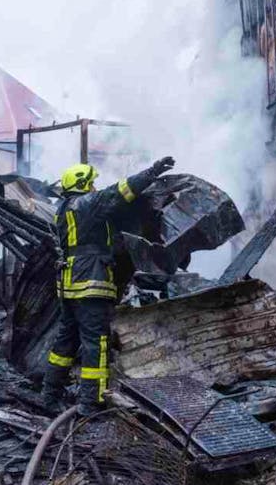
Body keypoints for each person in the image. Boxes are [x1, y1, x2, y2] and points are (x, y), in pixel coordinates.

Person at [42, 156, 176, 416]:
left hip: (69, 285)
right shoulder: (89, 203)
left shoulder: (63, 210)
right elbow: (121, 190)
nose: (95, 187)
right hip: (90, 282)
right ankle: (90, 403)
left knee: (65, 342)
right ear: (83, 185)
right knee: (96, 343)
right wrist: (152, 171)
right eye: (91, 183)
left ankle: (49, 396)